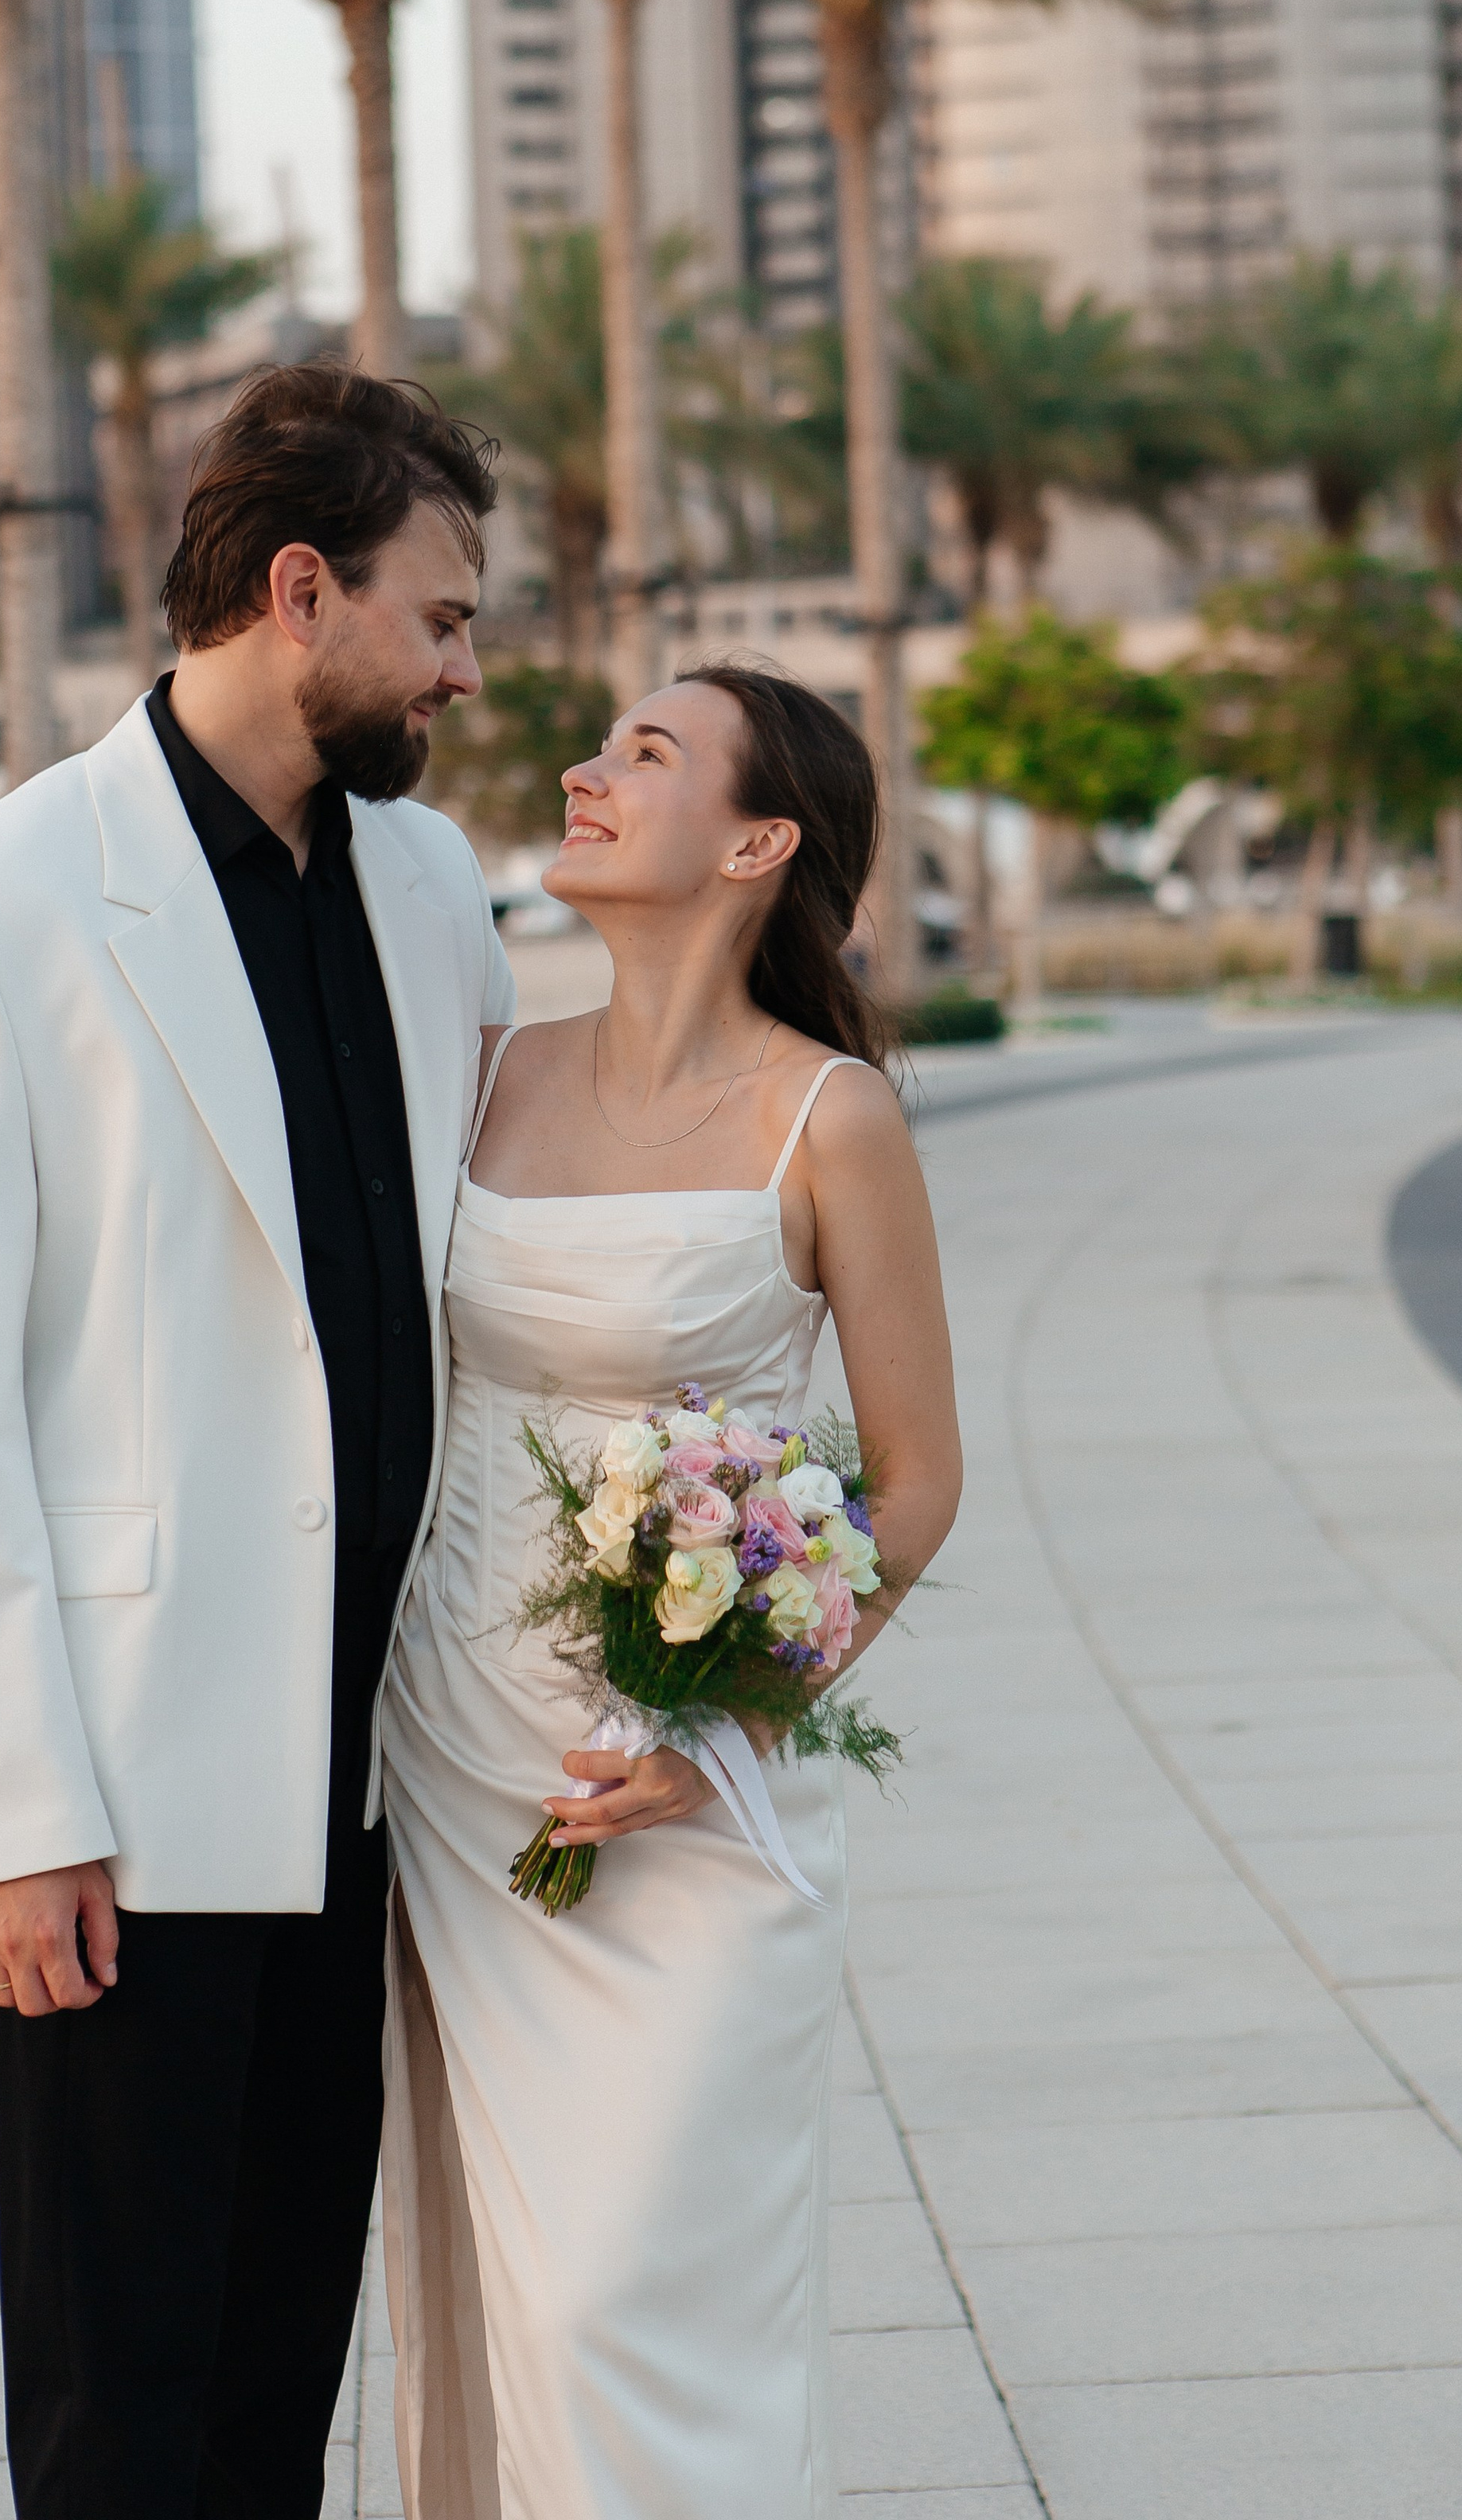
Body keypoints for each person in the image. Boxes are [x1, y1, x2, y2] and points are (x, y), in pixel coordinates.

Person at [0, 362, 515, 2518]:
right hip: (126, 1793)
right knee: (126, 2415)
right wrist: (4, 1817)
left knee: (277, 2390)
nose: (463, 672)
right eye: (441, 615)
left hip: (373, 1781)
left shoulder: (433, 891)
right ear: (298, 592)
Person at [380, 662, 963, 2520]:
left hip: (692, 1793)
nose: (584, 768)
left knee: (635, 2301)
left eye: (643, 752)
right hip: (464, 1758)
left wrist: (720, 1710)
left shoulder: (830, 1118)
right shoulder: (482, 1069)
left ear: (754, 838)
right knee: (503, 2300)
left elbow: (913, 1477)